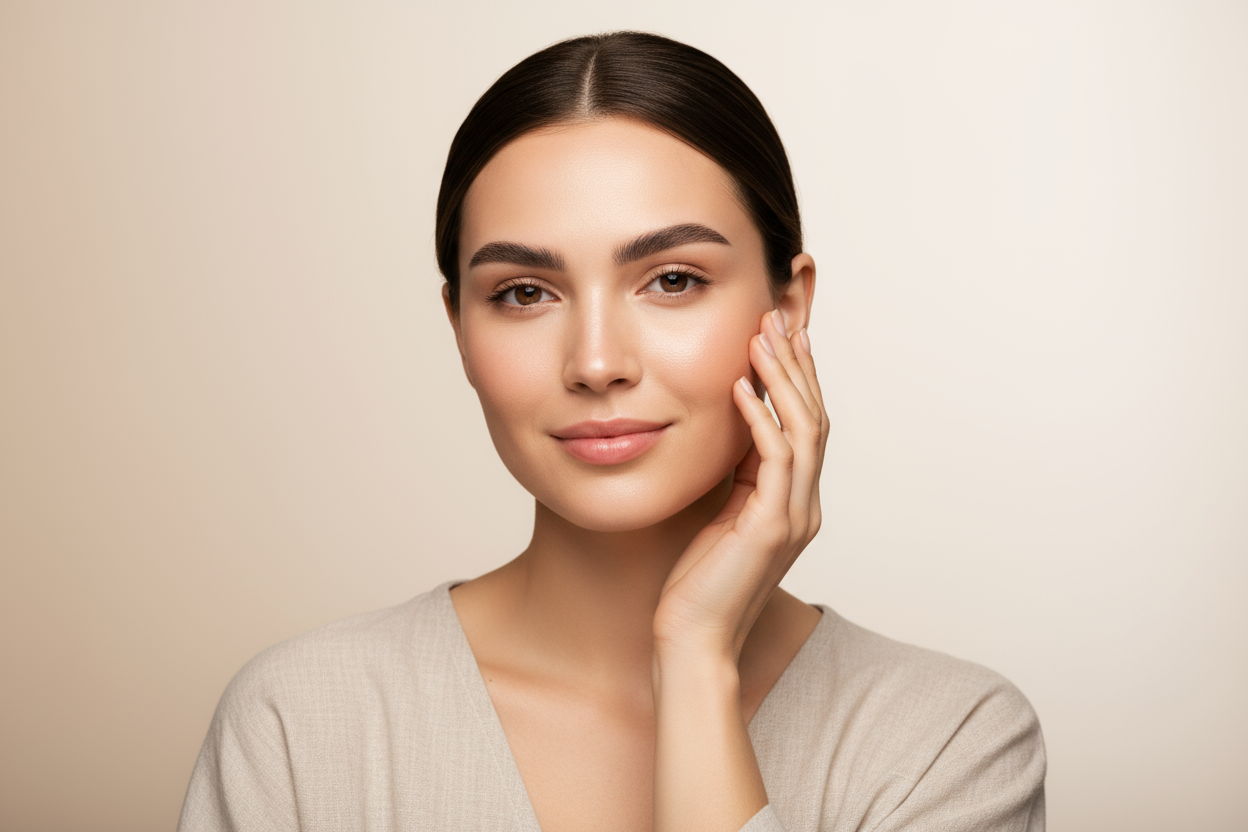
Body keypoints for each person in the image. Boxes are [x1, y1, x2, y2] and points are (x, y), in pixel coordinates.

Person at [178, 31, 1045, 832]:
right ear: (459, 329)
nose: (596, 362)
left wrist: (697, 661)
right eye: (524, 292)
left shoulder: (946, 744)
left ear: (787, 306)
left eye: (671, 279)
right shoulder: (301, 727)